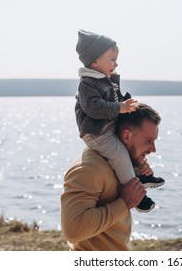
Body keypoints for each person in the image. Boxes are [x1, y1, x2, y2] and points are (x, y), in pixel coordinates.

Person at [74, 30, 164, 212]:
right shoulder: (87, 84)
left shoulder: (105, 81)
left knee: (123, 153)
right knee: (119, 155)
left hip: (106, 127)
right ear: (95, 62)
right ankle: (138, 197)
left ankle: (139, 177)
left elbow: (115, 100)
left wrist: (127, 103)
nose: (116, 63)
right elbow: (94, 107)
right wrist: (120, 107)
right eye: (112, 60)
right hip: (95, 132)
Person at [61, 103, 162, 251]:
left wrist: (136, 173)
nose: (153, 149)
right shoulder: (89, 168)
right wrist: (124, 203)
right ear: (126, 135)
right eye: (148, 141)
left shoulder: (120, 166)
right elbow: (73, 231)